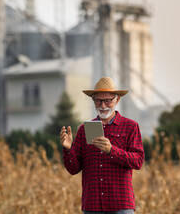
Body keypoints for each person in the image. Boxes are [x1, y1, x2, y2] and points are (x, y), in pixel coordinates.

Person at [60, 77, 144, 214]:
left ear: (117, 100)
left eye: (107, 101)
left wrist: (111, 150)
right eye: (98, 101)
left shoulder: (130, 127)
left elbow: (138, 161)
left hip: (121, 204)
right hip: (92, 205)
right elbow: (73, 168)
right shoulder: (83, 130)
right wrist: (67, 149)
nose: (103, 105)